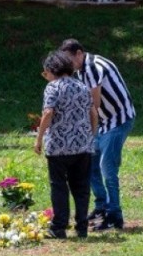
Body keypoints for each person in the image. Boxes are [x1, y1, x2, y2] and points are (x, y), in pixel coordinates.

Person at [60, 38, 135, 231]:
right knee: (90, 164)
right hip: (102, 121)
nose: (68, 64)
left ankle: (114, 215)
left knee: (107, 167)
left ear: (79, 53)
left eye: (69, 59)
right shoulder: (80, 69)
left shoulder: (92, 67)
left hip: (118, 120)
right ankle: (102, 205)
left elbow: (94, 103)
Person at [33, 50, 97, 239]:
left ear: (52, 70)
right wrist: (90, 135)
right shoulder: (82, 86)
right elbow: (93, 113)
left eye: (46, 72)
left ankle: (59, 227)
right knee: (82, 187)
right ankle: (82, 227)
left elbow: (48, 113)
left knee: (59, 186)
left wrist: (39, 138)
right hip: (82, 146)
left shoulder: (53, 87)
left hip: (58, 146)